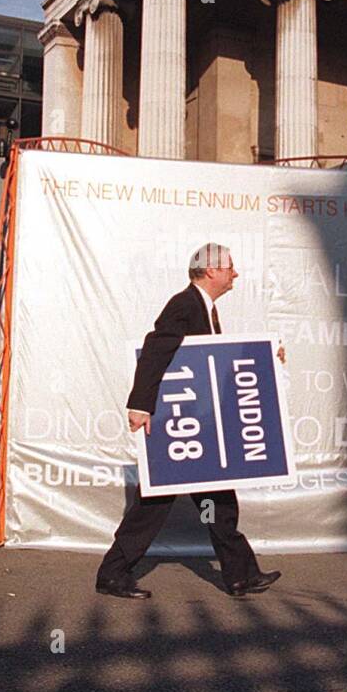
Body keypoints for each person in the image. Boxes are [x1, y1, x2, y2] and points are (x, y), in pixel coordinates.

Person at [95, 243, 284, 599]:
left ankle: (242, 575)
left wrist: (267, 358)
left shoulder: (205, 310)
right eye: (230, 267)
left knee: (221, 503)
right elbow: (156, 350)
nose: (235, 274)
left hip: (196, 428)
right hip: (177, 425)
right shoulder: (184, 304)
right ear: (210, 270)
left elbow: (212, 364)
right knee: (154, 505)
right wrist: (140, 405)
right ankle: (113, 573)